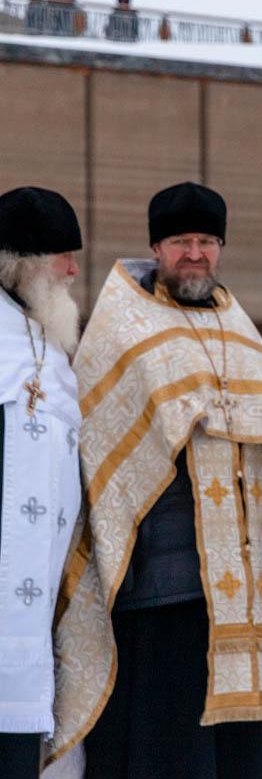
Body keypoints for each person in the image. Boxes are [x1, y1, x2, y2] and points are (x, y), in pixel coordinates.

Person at [53, 183, 262, 778]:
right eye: (181, 241)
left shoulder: (243, 332)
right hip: (157, 593)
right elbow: (100, 452)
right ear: (158, 246)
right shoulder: (122, 327)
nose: (195, 253)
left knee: (229, 754)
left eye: (206, 241)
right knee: (163, 750)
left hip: (240, 599)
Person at [0, 188, 87, 775]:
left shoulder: (48, 346)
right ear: (28, 262)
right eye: (65, 257)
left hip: (30, 603)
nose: (76, 271)